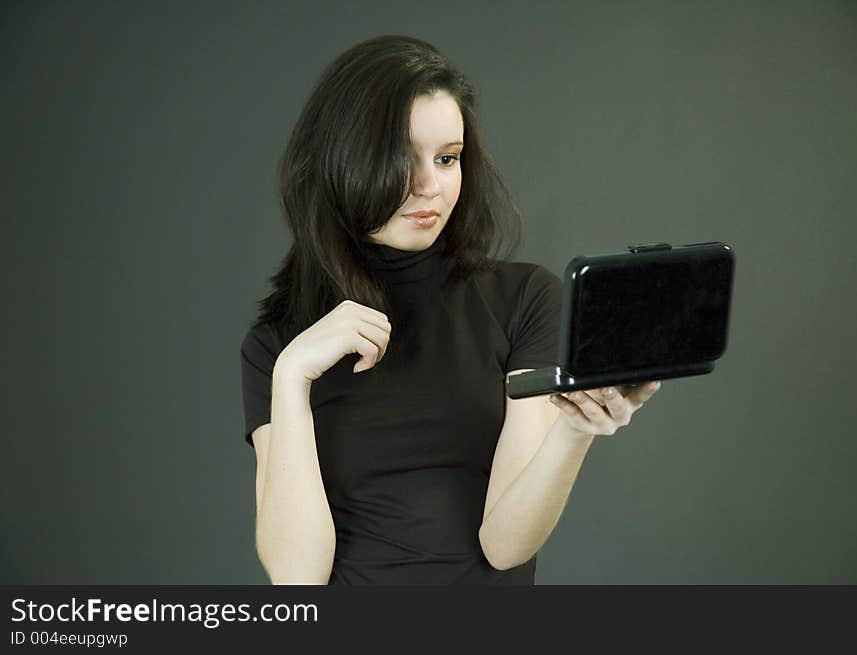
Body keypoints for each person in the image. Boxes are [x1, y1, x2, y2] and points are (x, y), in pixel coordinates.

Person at [239, 35, 660, 585]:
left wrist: (574, 430)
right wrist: (292, 377)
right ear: (342, 162)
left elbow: (505, 546)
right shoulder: (279, 346)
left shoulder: (525, 300)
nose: (430, 185)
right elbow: (297, 579)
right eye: (400, 158)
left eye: (447, 158)